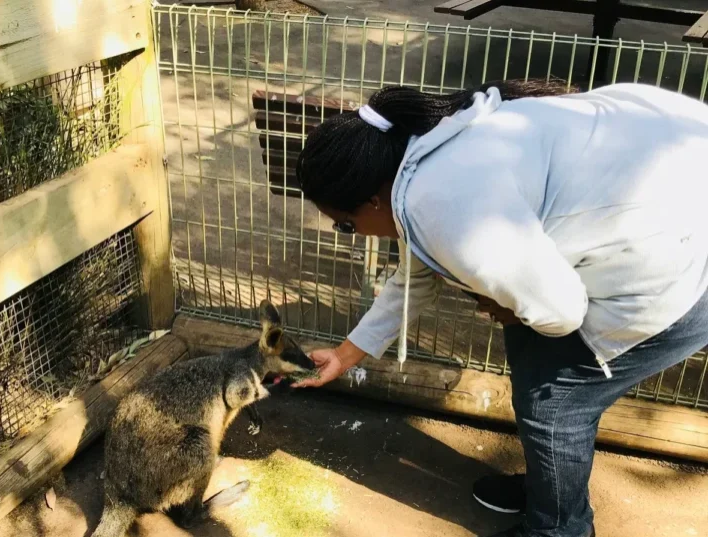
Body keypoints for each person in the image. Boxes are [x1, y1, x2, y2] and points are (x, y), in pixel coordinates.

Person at [291, 79, 708, 537]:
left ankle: (559, 529)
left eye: (347, 226)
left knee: (556, 401)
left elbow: (561, 311)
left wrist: (511, 309)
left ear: (371, 200)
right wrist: (346, 355)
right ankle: (554, 488)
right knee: (535, 363)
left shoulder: (440, 203)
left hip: (684, 266)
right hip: (674, 196)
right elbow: (415, 277)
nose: (355, 233)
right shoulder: (424, 152)